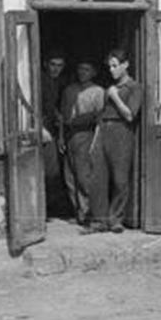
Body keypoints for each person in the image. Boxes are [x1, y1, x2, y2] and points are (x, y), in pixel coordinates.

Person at [86, 48, 141, 234]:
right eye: (109, 66)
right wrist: (96, 134)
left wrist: (115, 96)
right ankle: (100, 220)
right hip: (104, 130)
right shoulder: (110, 87)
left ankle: (116, 219)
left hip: (122, 132)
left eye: (115, 65)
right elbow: (101, 113)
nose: (111, 70)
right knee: (98, 176)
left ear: (125, 65)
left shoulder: (134, 87)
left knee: (120, 179)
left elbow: (130, 115)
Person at [62, 59, 104, 227]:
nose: (82, 72)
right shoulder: (69, 90)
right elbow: (63, 116)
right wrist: (60, 137)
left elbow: (100, 118)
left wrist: (96, 140)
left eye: (87, 69)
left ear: (93, 72)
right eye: (80, 68)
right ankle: (78, 212)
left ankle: (90, 213)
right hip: (69, 135)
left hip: (86, 134)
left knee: (84, 176)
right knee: (69, 176)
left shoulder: (98, 91)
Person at [41, 50, 74, 217]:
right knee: (48, 170)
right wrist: (40, 127)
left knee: (54, 170)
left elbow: (57, 110)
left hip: (54, 129)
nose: (56, 69)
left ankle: (51, 208)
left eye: (60, 66)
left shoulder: (60, 83)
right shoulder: (39, 80)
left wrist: (60, 135)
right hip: (41, 128)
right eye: (53, 65)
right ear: (46, 64)